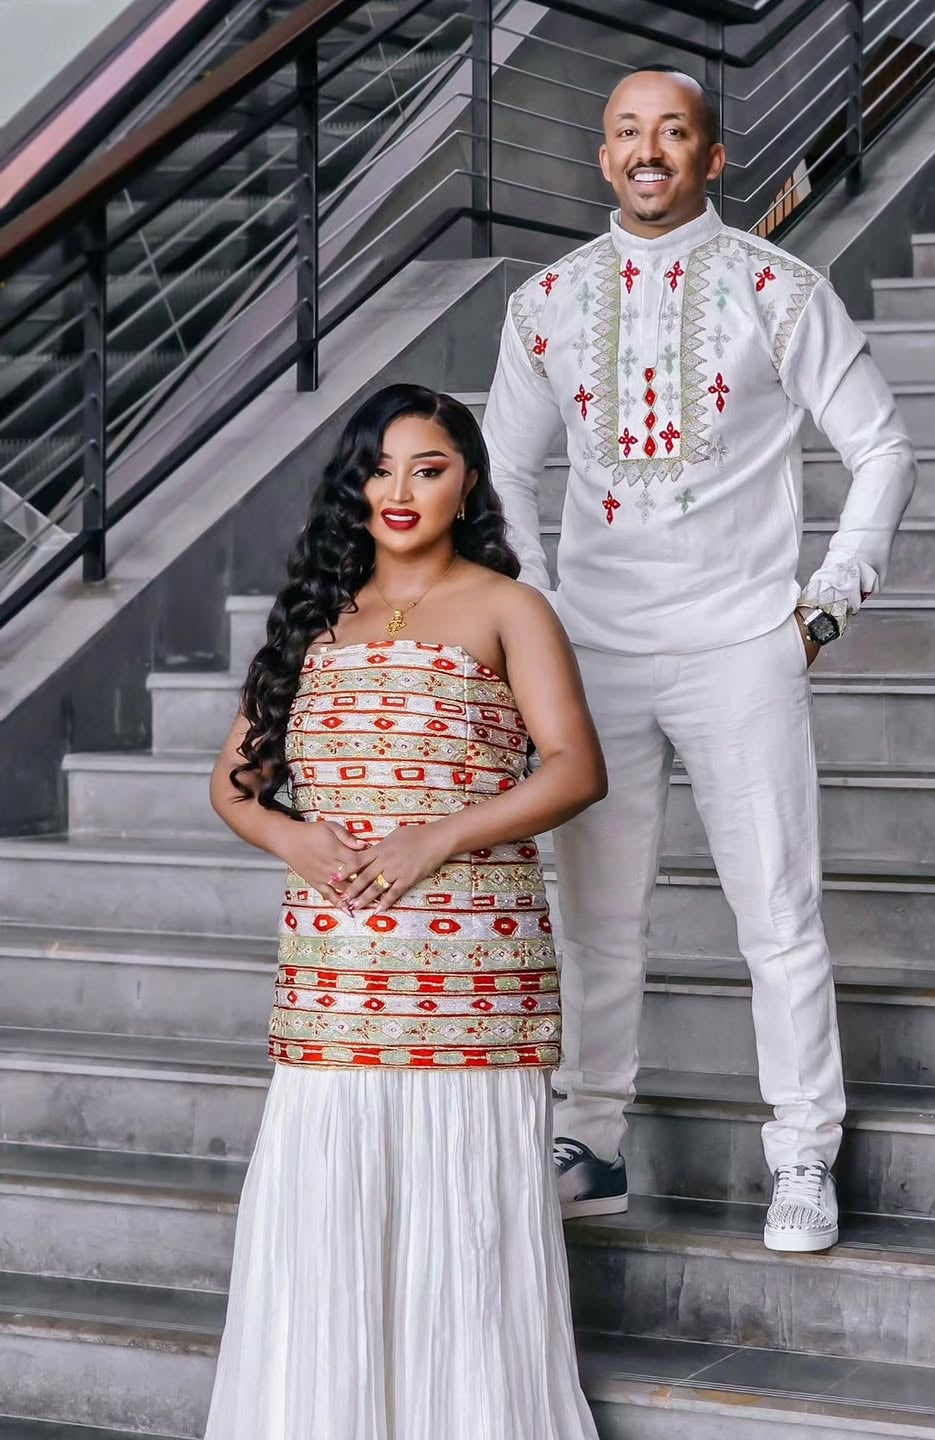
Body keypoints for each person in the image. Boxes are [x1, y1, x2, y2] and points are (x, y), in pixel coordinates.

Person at [482, 65, 917, 1253]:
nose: (648, 150)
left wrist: (827, 603)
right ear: (602, 152)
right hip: (596, 659)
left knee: (777, 913)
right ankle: (595, 1138)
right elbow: (501, 469)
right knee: (598, 919)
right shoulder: (550, 304)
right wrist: (539, 611)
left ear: (713, 156)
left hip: (743, 647)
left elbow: (881, 445)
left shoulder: (780, 290)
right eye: (626, 130)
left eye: (672, 131)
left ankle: (802, 1150)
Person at [204, 384, 606, 1439]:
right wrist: (295, 836)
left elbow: (574, 768)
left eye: (427, 467)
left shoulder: (507, 607)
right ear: (353, 484)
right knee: (326, 1215)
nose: (400, 489)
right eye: (379, 468)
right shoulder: (315, 613)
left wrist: (438, 834)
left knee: (462, 1217)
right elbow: (233, 786)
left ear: (467, 480)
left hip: (472, 976)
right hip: (337, 974)